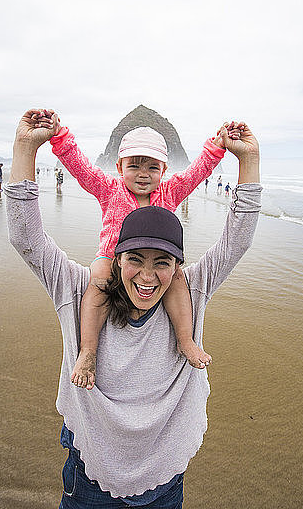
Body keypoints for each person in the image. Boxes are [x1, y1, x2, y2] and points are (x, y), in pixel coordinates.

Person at [5, 109, 261, 507]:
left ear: (177, 262)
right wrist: (30, 146)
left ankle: (185, 340)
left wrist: (245, 158)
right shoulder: (80, 287)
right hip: (90, 476)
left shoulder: (189, 288)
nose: (147, 276)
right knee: (98, 282)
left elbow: (236, 237)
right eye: (135, 258)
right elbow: (26, 236)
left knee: (175, 297)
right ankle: (87, 352)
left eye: (162, 261)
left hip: (166, 481)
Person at [39, 113, 242, 389]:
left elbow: (197, 173)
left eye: (152, 167)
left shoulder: (169, 193)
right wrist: (60, 136)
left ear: (164, 170)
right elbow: (82, 169)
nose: (143, 174)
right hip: (113, 257)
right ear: (119, 167)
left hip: (155, 259)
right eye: (134, 165)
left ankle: (185, 340)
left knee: (177, 278)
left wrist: (217, 147)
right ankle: (88, 350)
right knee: (98, 275)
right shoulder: (110, 189)